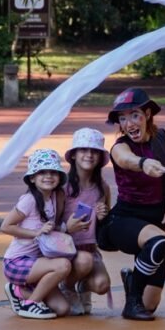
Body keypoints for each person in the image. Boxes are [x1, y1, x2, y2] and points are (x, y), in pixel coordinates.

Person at [97, 88, 165, 320]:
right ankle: (131, 303)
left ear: (147, 114)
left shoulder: (164, 137)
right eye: (122, 118)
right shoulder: (120, 147)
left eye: (134, 115)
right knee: (158, 241)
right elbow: (126, 159)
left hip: (157, 219)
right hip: (124, 220)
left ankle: (132, 281)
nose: (128, 124)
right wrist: (143, 163)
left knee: (150, 305)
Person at [0, 149, 93, 319]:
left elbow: (52, 231)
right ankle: (31, 303)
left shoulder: (55, 197)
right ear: (32, 178)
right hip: (17, 263)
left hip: (39, 264)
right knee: (63, 265)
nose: (48, 176)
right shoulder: (29, 200)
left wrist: (68, 227)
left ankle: (18, 291)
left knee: (62, 309)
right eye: (42, 172)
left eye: (53, 172)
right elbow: (6, 226)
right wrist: (36, 232)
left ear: (59, 177)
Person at [61, 128, 113, 315]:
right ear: (73, 155)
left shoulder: (103, 188)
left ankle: (82, 286)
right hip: (64, 250)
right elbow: (48, 221)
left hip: (90, 248)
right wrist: (67, 228)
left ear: (100, 157)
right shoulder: (63, 187)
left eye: (94, 151)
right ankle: (66, 287)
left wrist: (103, 218)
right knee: (84, 261)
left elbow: (104, 230)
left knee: (102, 284)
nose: (89, 155)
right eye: (83, 150)